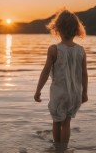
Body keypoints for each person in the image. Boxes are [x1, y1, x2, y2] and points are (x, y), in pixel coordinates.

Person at [34, 9, 88, 145]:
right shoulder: (81, 51)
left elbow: (45, 72)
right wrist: (85, 92)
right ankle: (64, 152)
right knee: (67, 122)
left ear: (57, 29)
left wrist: (38, 90)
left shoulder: (54, 49)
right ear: (77, 30)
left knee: (57, 122)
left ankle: (58, 151)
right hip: (74, 94)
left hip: (59, 93)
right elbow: (84, 74)